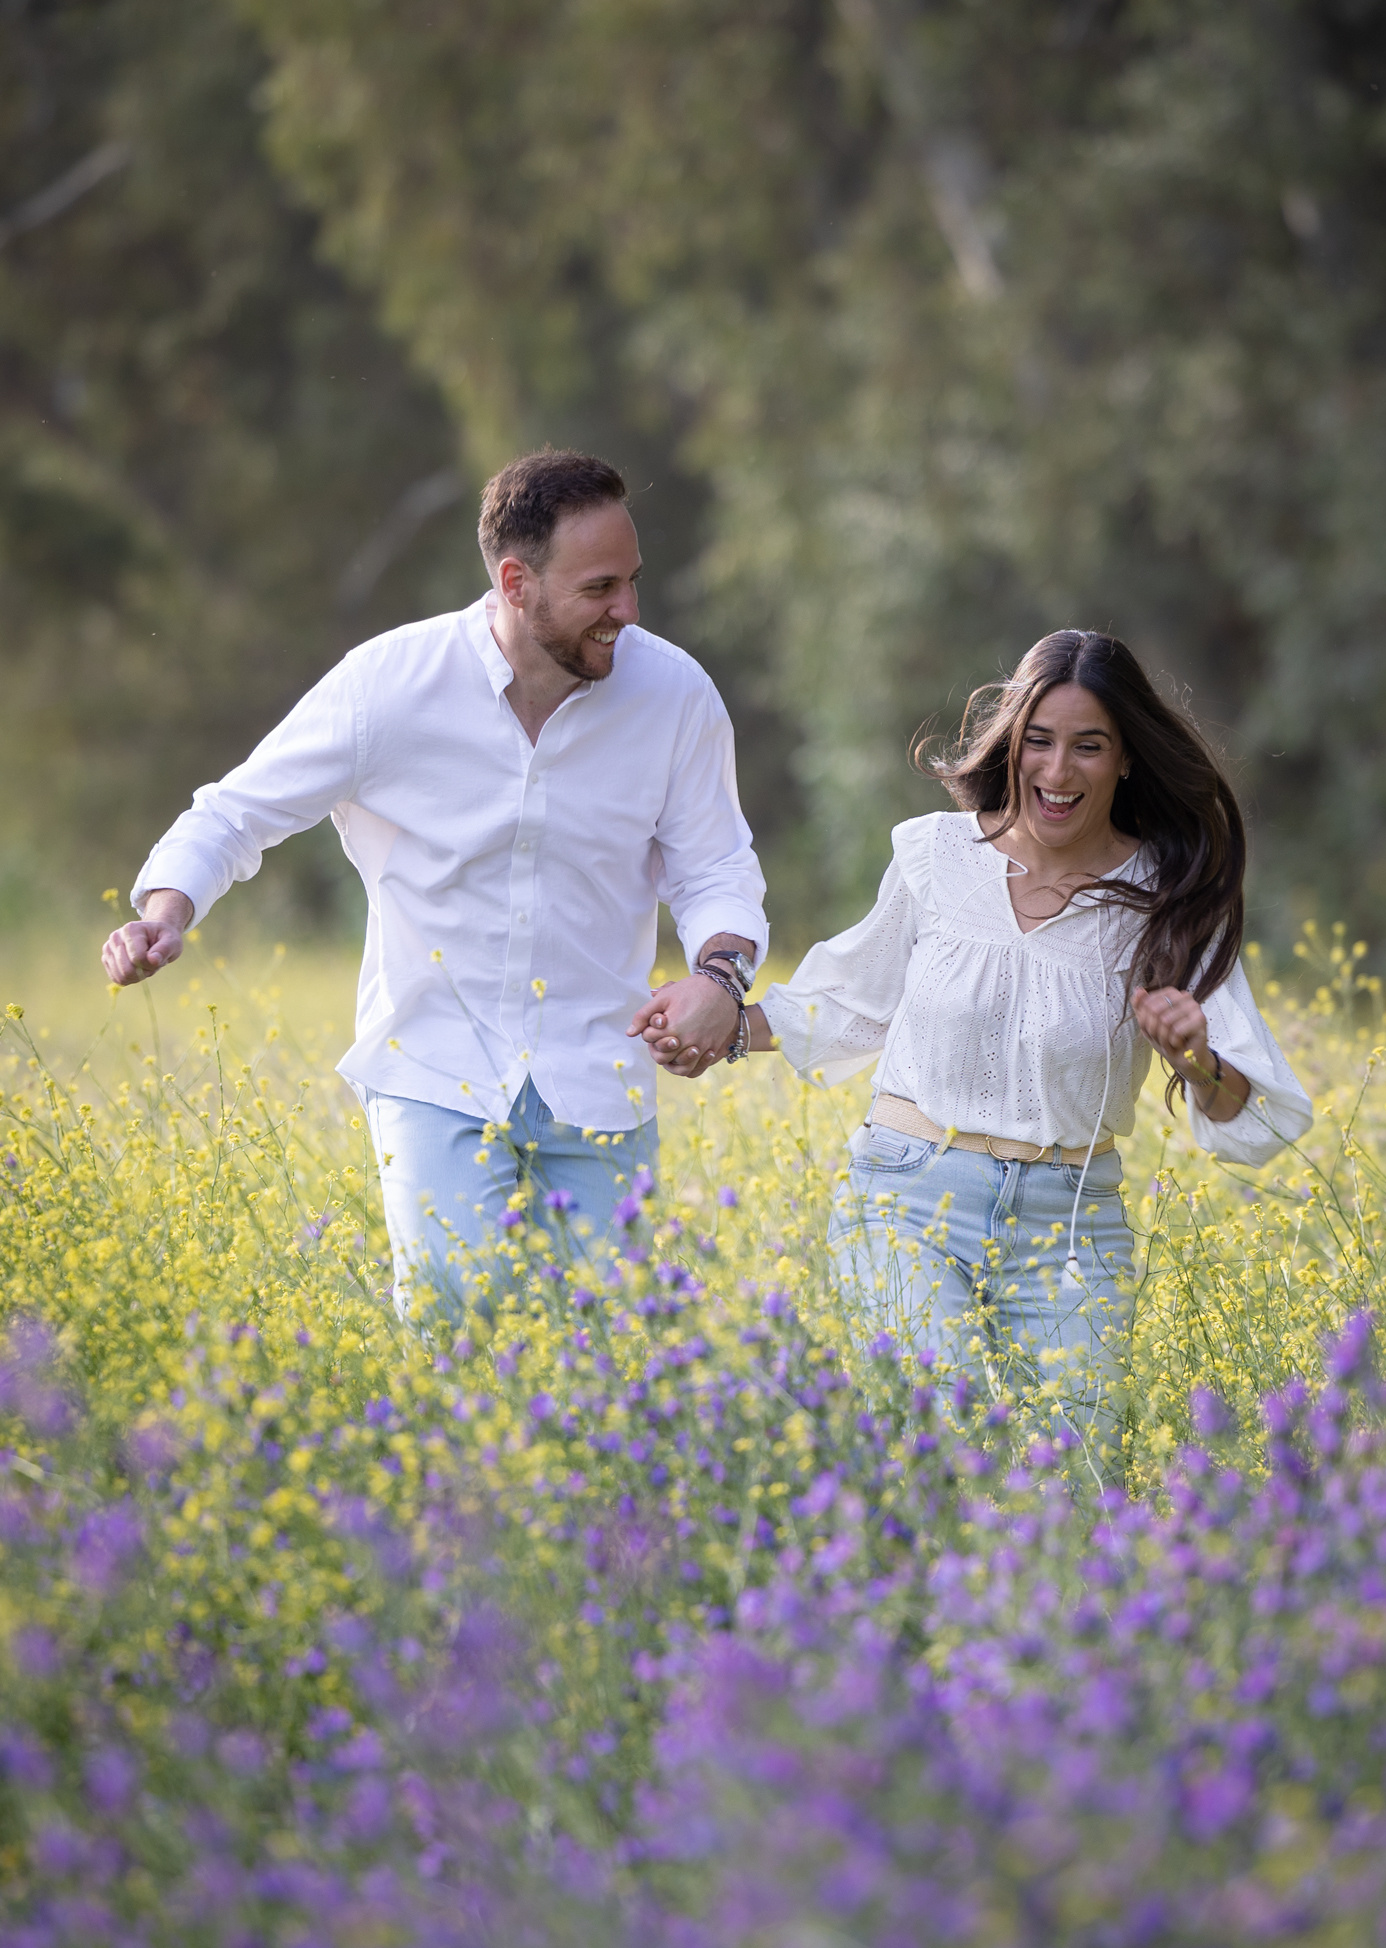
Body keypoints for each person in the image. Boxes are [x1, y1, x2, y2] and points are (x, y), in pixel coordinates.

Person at [102, 448, 768, 1317]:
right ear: (516, 582)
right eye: (600, 588)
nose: (628, 611)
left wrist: (720, 979)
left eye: (632, 581)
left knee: (613, 1342)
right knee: (459, 1312)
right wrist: (166, 911)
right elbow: (235, 813)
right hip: (432, 1064)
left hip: (600, 1070)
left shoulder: (675, 696)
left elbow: (715, 865)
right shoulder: (389, 685)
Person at [633, 628, 1312, 1446]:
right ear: (1012, 743)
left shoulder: (1168, 898)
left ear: (1127, 757)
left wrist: (1194, 1058)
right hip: (907, 1195)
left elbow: (1254, 1111)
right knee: (937, 1443)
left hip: (1068, 1223)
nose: (1057, 771)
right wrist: (723, 1026)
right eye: (1039, 741)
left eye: (1088, 746)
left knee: (1077, 1471)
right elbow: (851, 1002)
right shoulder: (936, 855)